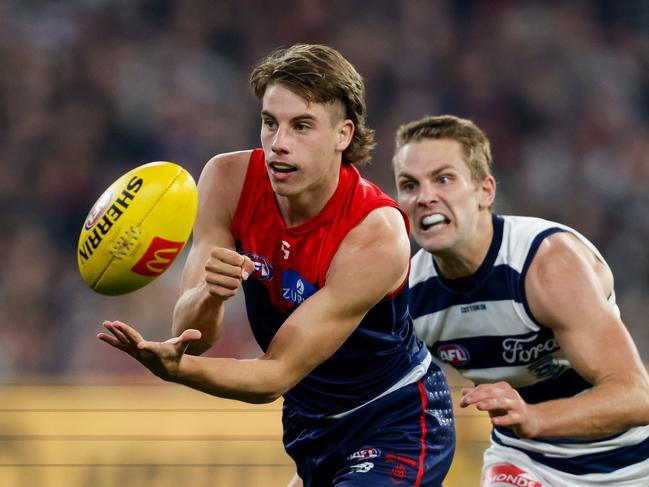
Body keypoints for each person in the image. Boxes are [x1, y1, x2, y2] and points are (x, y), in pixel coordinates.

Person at [98, 44, 455, 486]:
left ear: (343, 135)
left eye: (301, 126)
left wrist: (176, 371)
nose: (278, 143)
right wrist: (211, 293)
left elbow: (274, 375)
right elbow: (192, 335)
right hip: (310, 426)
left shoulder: (375, 234)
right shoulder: (226, 180)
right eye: (270, 123)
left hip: (393, 419)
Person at [392, 114, 649, 486]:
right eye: (409, 185)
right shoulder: (408, 294)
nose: (425, 196)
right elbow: (372, 400)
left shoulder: (546, 263)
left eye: (443, 179)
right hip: (525, 460)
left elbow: (635, 395)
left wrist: (534, 418)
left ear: (485, 191)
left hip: (635, 461)